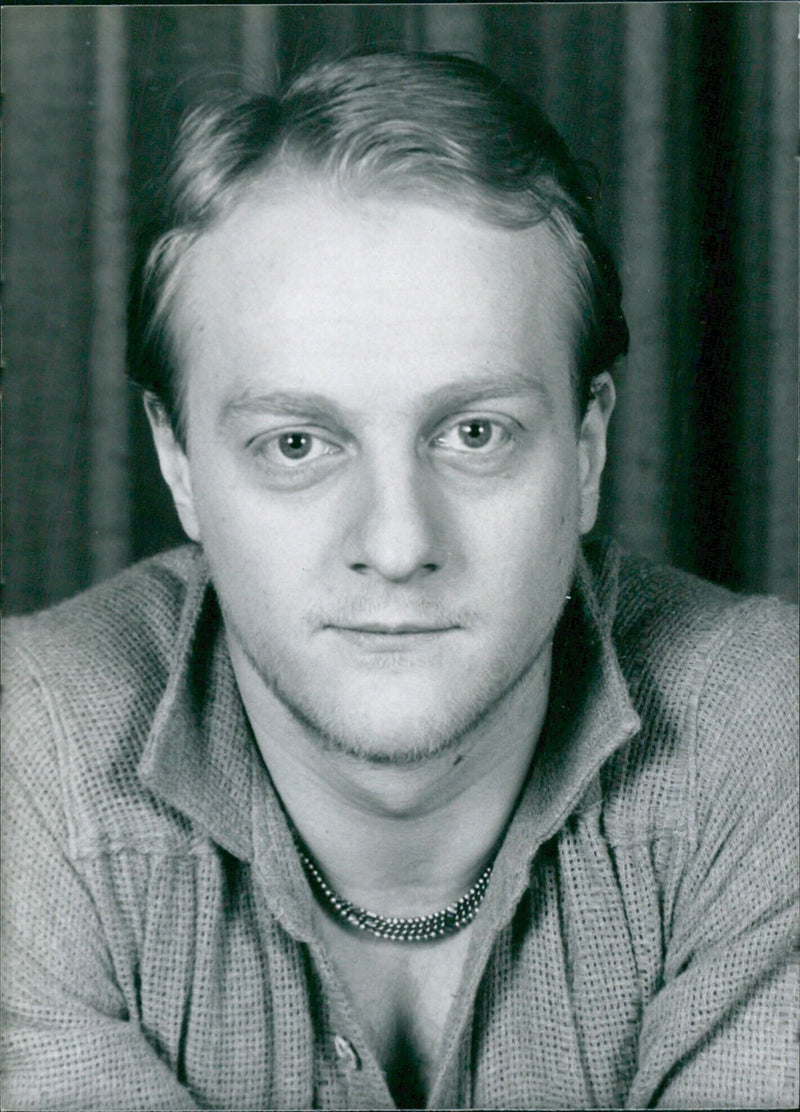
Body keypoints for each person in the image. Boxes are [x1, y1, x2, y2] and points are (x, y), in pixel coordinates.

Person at [2, 51, 797, 1111]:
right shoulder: (33, 761)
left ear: (590, 445)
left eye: (473, 432)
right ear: (179, 464)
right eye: (296, 444)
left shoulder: (765, 731)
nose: (393, 539)